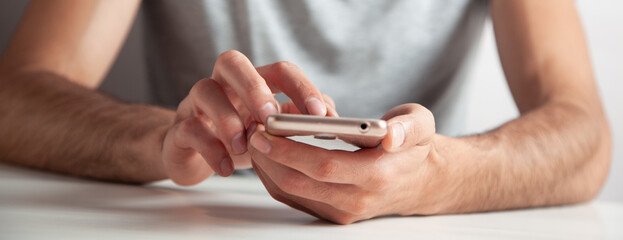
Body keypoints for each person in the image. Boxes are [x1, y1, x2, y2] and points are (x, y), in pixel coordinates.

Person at [0, 0, 611, 224]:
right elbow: (14, 98)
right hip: (198, 219)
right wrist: (162, 139)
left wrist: (436, 175)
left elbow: (584, 133)